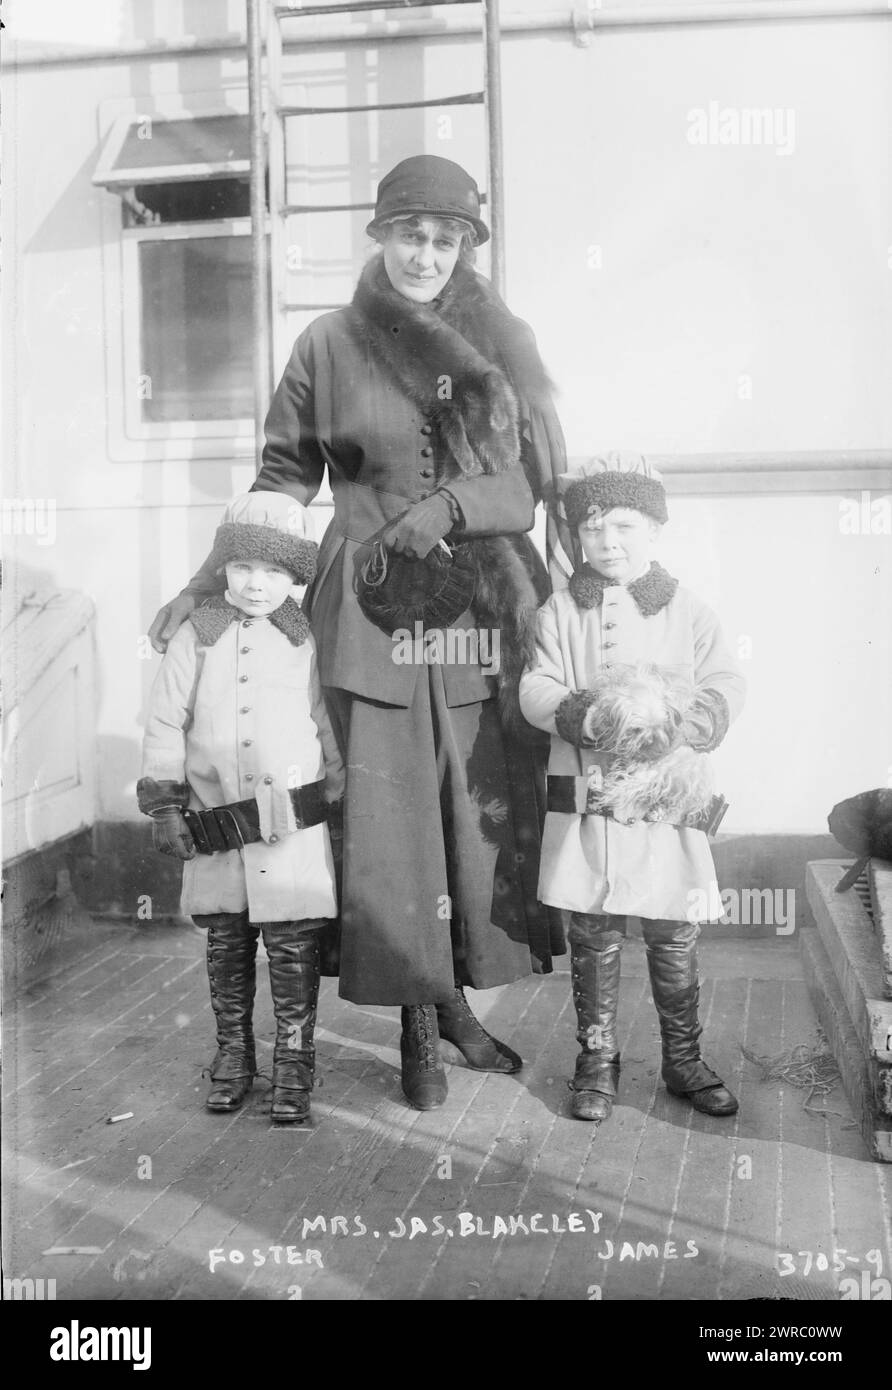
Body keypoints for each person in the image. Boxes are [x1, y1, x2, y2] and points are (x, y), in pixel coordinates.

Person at [148, 155, 567, 1111]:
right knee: (385, 819)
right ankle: (417, 1024)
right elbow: (282, 479)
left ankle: (456, 1001)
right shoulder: (327, 344)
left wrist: (454, 505)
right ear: (380, 237)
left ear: (463, 250)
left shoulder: (499, 346)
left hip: (465, 609)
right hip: (365, 606)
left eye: (445, 238)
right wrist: (209, 578)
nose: (425, 254)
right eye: (409, 234)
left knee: (464, 806)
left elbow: (528, 483)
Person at [518, 454, 746, 1124]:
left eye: (624, 527)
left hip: (666, 807)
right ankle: (596, 1062)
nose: (608, 543)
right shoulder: (560, 612)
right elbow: (537, 684)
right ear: (577, 538)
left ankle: (683, 1061)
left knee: (674, 932)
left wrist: (686, 724)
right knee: (593, 933)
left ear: (652, 530)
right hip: (591, 807)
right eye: (593, 530)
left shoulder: (687, 609)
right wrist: (584, 715)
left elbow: (727, 681)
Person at [139, 492, 345, 1123]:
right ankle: (234, 1054)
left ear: (295, 577)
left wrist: (338, 780)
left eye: (277, 572)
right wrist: (166, 805)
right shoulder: (193, 638)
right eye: (244, 568)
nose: (259, 585)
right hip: (215, 823)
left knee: (291, 942)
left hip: (290, 827)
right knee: (227, 938)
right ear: (222, 568)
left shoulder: (307, 636)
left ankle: (294, 1060)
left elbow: (323, 715)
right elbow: (165, 722)